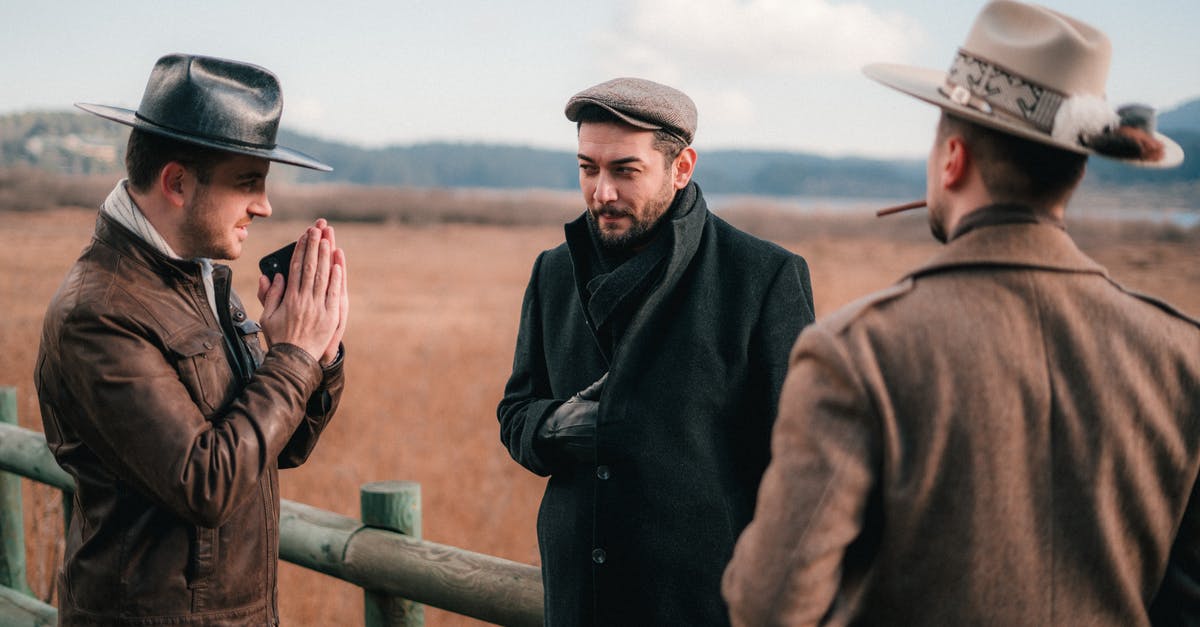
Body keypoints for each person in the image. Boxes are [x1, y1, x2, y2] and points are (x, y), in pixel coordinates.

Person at [722, 1, 1198, 625]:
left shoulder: (857, 352)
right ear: (1074, 173)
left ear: (951, 160)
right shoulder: (1183, 354)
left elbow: (769, 605)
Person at [35, 53, 349, 625]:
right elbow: (207, 483)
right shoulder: (99, 312)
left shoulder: (199, 279)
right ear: (177, 182)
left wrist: (318, 359)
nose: (265, 204)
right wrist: (292, 359)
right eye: (248, 182)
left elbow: (280, 449)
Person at [498, 77, 815, 626]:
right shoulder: (552, 272)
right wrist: (551, 427)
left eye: (625, 170)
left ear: (682, 167)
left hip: (705, 609)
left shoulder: (763, 277)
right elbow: (515, 411)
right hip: (576, 604)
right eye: (587, 168)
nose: (602, 192)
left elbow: (802, 465)